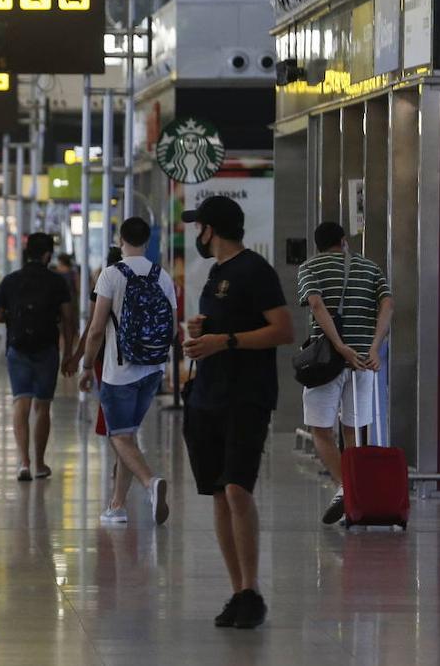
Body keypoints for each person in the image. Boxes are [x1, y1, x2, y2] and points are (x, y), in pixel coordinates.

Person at [182, 196, 294, 630]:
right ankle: (237, 592)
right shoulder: (216, 273)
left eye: (199, 227)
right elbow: (228, 324)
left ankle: (252, 590)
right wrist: (203, 330)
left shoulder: (255, 270)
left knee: (236, 489)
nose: (197, 235)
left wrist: (225, 341)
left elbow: (282, 330)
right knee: (218, 491)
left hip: (246, 397)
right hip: (208, 395)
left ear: (211, 229)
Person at [77, 218, 177, 525]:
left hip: (119, 371)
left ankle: (150, 482)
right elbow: (172, 328)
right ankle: (117, 506)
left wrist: (86, 366)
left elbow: (96, 329)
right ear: (147, 241)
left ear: (121, 239)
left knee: (119, 436)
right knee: (128, 434)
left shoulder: (111, 274)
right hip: (152, 369)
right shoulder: (162, 276)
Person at [296, 221, 393, 525]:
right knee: (354, 431)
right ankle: (355, 493)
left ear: (318, 245)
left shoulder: (310, 267)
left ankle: (348, 489)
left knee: (321, 430)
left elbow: (315, 304)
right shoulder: (371, 268)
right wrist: (374, 348)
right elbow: (388, 304)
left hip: (326, 361)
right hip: (363, 361)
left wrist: (339, 346)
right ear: (343, 241)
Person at [0, 232, 75, 481]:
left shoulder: (11, 280)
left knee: (21, 402)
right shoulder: (57, 281)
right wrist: (69, 353)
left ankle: (24, 463)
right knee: (42, 406)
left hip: (18, 348)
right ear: (48, 255)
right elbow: (68, 319)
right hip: (47, 349)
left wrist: (12, 316)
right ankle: (39, 463)